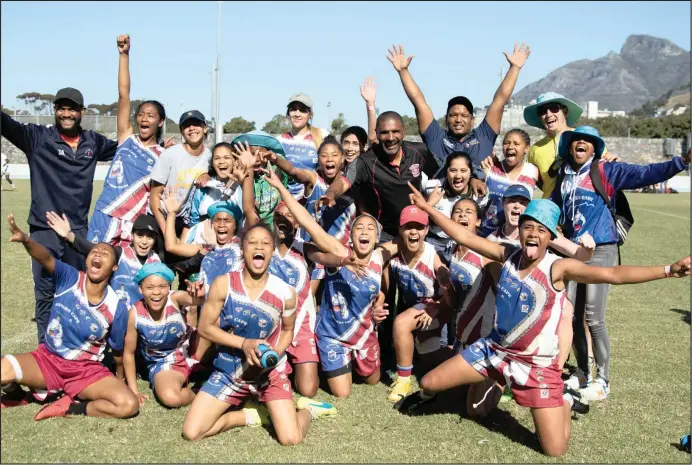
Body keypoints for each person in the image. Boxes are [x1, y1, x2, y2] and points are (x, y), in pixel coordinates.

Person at [404, 191, 690, 456]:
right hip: (494, 351)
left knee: (554, 449)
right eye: (528, 226)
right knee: (432, 383)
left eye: (542, 230)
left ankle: (564, 397)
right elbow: (463, 237)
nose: (533, 234)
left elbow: (612, 274)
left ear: (550, 237)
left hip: (535, 366)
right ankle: (495, 379)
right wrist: (428, 207)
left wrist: (668, 271)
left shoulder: (557, 267)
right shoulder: (507, 254)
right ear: (520, 231)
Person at [551, 126, 691, 401]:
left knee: (593, 316)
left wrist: (682, 162)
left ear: (595, 149)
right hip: (574, 252)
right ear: (570, 147)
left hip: (602, 248)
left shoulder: (606, 171)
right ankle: (582, 372)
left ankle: (603, 380)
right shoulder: (564, 177)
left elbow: (646, 173)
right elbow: (554, 209)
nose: (581, 143)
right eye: (577, 140)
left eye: (588, 141)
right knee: (574, 315)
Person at [181, 223, 337, 444]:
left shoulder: (285, 293)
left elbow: (287, 330)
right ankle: (252, 415)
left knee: (290, 439)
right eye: (252, 242)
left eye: (265, 243)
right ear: (242, 248)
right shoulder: (223, 284)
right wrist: (244, 343)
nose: (259, 247)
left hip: (268, 374)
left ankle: (308, 411)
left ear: (272, 250)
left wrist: (273, 354)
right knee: (191, 433)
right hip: (230, 371)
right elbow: (206, 327)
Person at [263, 165, 395, 398]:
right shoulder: (339, 249)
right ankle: (328, 363)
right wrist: (280, 187)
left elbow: (410, 238)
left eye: (370, 228)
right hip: (333, 335)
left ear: (377, 237)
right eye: (359, 228)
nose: (364, 231)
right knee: (342, 393)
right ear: (351, 235)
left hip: (364, 333)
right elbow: (307, 222)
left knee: (373, 380)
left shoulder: (381, 254)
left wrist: (382, 296)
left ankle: (352, 362)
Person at [1, 87, 118, 343]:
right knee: (45, 293)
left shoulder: (94, 142)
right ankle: (45, 352)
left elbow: (125, 150)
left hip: (77, 231)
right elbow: (5, 123)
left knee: (77, 291)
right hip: (44, 230)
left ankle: (73, 346)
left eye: (72, 109)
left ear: (81, 112)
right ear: (55, 111)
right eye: (61, 108)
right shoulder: (37, 137)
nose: (66, 114)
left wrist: (160, 145)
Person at [0, 214, 139, 421]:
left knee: (128, 405)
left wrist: (120, 379)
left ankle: (68, 406)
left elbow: (118, 350)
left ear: (114, 267)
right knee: (3, 372)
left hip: (86, 372)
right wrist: (27, 240)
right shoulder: (70, 278)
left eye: (105, 253)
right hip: (48, 360)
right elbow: (45, 258)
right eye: (94, 251)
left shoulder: (116, 308)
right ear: (88, 258)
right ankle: (19, 395)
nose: (98, 254)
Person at [388, 43, 530, 180]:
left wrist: (515, 68)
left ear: (472, 120)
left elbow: (500, 100)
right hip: (440, 203)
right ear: (446, 118)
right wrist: (403, 71)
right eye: (453, 115)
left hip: (479, 203)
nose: (458, 120)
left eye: (464, 116)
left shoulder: (484, 135)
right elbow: (419, 102)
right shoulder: (435, 137)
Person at [88, 34, 166, 246]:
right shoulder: (126, 138)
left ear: (160, 122)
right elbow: (124, 94)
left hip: (134, 223)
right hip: (106, 213)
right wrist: (124, 55)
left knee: (126, 277)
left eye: (151, 115)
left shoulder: (164, 156)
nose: (144, 118)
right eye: (141, 114)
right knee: (95, 273)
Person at [266, 136, 357, 295]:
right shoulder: (314, 179)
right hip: (314, 254)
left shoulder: (352, 183)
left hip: (342, 252)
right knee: (307, 300)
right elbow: (294, 171)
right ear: (318, 159)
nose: (329, 159)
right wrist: (276, 159)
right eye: (324, 155)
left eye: (334, 155)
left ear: (343, 158)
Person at [387, 206, 449, 402]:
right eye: (408, 227)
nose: (413, 231)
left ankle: (404, 380)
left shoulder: (434, 256)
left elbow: (452, 298)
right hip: (418, 312)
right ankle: (405, 379)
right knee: (426, 354)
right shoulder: (394, 255)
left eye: (419, 227)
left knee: (402, 324)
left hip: (438, 309)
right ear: (400, 229)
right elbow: (384, 287)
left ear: (427, 229)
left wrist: (437, 307)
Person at [123, 263, 207, 408]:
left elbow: (198, 300)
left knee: (215, 322)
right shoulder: (135, 314)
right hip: (164, 363)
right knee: (171, 398)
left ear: (169, 287)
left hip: (193, 348)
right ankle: (201, 392)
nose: (156, 292)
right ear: (140, 289)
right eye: (150, 287)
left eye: (162, 286)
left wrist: (198, 295)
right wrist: (134, 391)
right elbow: (129, 353)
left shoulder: (175, 298)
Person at [46, 212, 163, 310]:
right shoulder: (120, 253)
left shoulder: (157, 260)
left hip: (141, 316)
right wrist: (69, 235)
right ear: (132, 236)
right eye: (140, 235)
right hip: (115, 313)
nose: (144, 241)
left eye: (150, 237)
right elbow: (93, 249)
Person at [149, 110, 211, 236]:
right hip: (163, 216)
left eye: (196, 124)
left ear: (205, 128)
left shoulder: (210, 156)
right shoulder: (170, 154)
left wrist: (208, 175)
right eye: (187, 126)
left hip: (188, 220)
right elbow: (154, 196)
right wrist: (166, 230)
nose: (192, 128)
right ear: (182, 132)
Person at [423, 152, 485, 260]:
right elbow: (417, 214)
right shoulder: (432, 187)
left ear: (471, 173)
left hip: (467, 244)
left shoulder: (479, 195)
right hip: (435, 244)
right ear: (446, 171)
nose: (458, 175)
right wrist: (429, 204)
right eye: (453, 170)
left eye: (463, 170)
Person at [478, 129, 538, 237]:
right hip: (487, 235)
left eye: (516, 143)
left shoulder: (533, 171)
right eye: (506, 143)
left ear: (527, 148)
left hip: (516, 237)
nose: (510, 147)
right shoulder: (490, 169)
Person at [231, 131, 290, 227]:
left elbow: (291, 170)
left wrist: (275, 159)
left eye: (261, 155)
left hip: (275, 229)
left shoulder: (276, 170)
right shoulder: (242, 173)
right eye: (252, 155)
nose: (257, 159)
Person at [277, 93, 330, 200]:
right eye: (293, 109)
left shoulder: (322, 135)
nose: (297, 114)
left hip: (315, 201)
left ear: (310, 114)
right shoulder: (279, 141)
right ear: (288, 113)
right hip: (287, 204)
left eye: (302, 110)